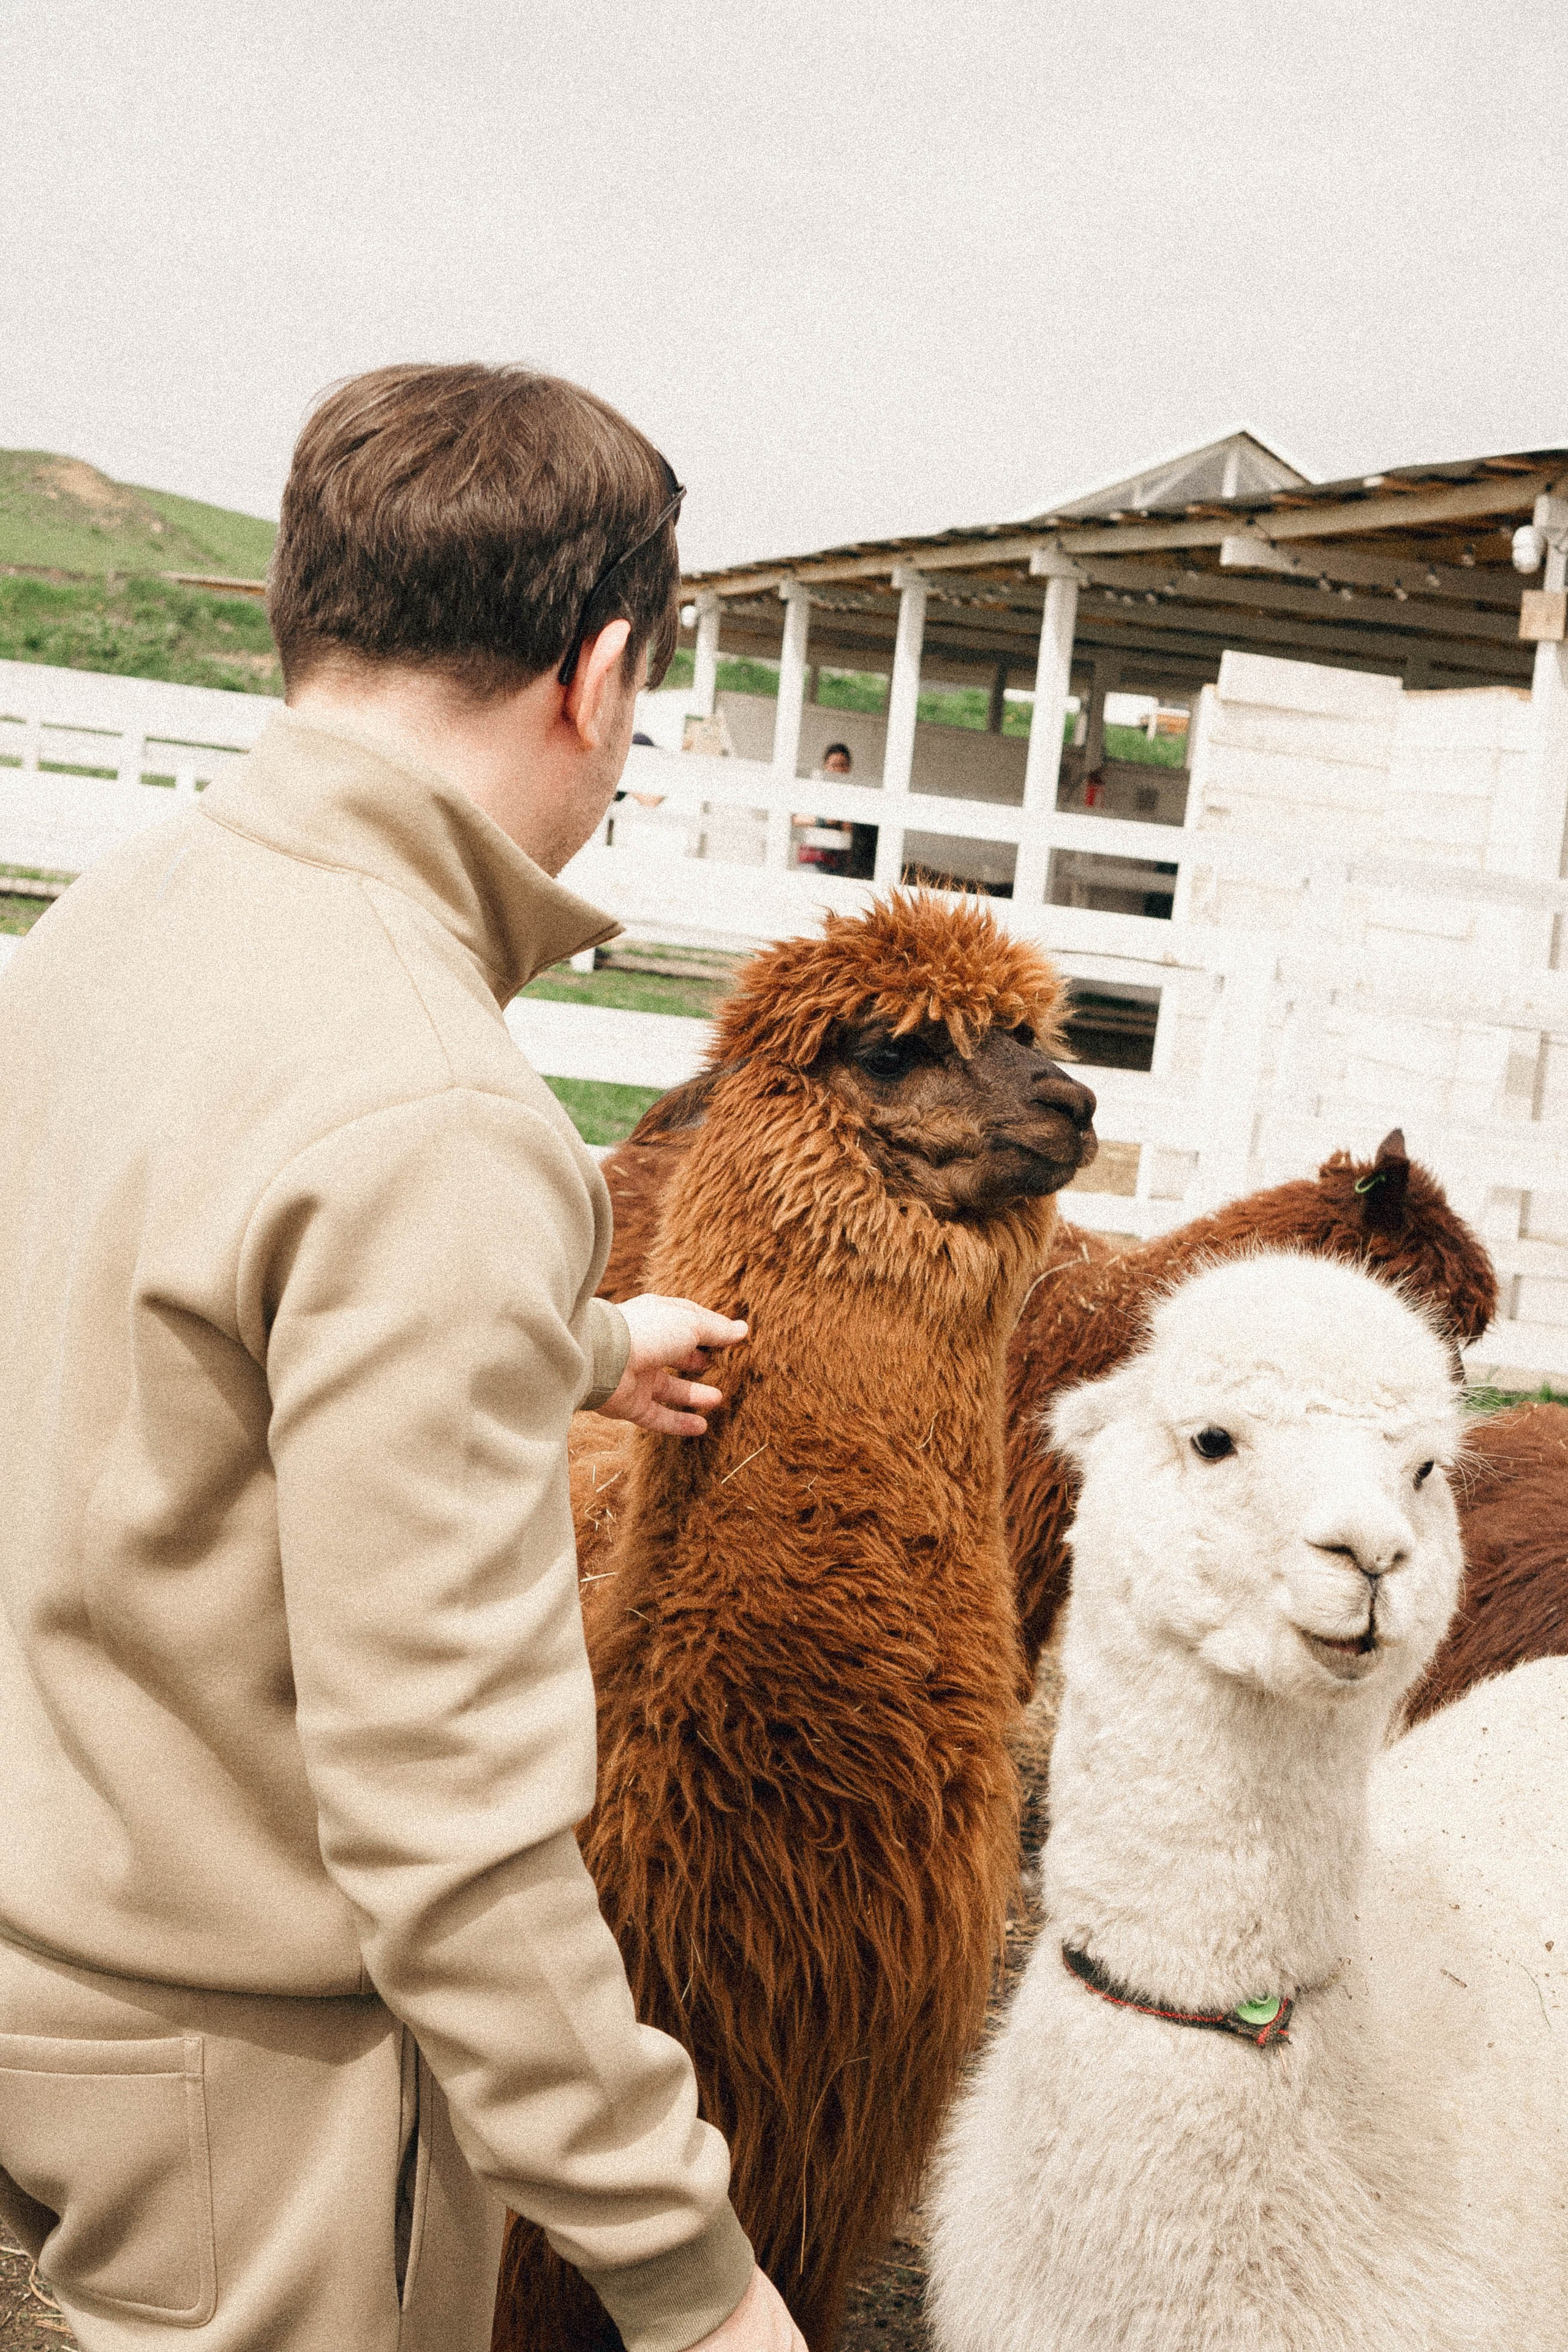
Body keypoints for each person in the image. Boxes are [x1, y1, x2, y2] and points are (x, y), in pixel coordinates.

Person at [0, 364, 806, 2352]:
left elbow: (172, 1324)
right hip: (247, 2073)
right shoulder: (431, 1107)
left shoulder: (123, 918)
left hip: (52, 1909)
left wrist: (592, 1342)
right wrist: (695, 2283)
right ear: (597, 670)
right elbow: (447, 1836)